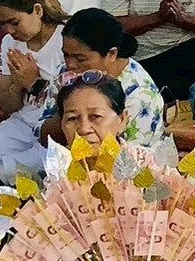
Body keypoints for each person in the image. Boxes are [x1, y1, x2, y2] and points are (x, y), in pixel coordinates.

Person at [30, 9, 167, 167]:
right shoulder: (69, 73)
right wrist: (65, 111)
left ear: (111, 54)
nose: (70, 65)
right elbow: (40, 132)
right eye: (66, 55)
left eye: (81, 58)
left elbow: (130, 164)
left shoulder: (141, 96)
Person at [0, 0, 69, 181]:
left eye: (14, 22)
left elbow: (73, 101)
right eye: (2, 24)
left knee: (5, 171)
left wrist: (34, 82)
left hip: (57, 133)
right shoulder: (9, 43)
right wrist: (19, 84)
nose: (9, 30)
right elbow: (6, 106)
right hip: (23, 124)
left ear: (37, 10)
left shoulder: (65, 39)